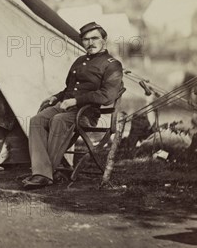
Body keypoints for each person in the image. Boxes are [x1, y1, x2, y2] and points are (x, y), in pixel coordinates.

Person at [22, 22, 123, 189]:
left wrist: (76, 101)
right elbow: (69, 89)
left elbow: (107, 96)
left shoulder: (112, 64)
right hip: (66, 106)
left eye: (95, 38)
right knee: (37, 120)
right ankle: (42, 172)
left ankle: (43, 175)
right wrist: (55, 97)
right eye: (85, 39)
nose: (90, 43)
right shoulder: (80, 61)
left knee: (59, 120)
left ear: (104, 40)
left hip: (86, 113)